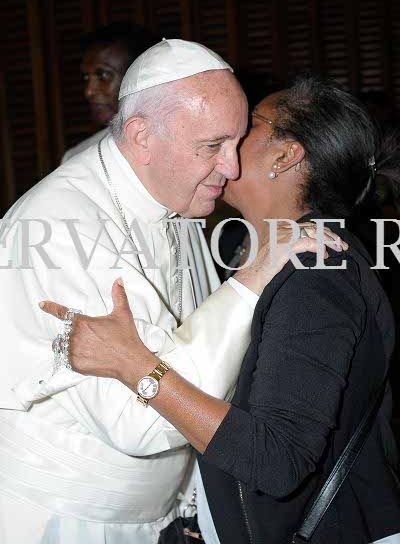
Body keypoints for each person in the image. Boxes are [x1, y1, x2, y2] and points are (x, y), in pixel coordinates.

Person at [0, 42, 339, 544]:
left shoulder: (174, 193)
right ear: (142, 137)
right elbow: (139, 420)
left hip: (162, 515)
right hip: (66, 521)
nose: (231, 168)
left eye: (238, 141)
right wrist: (255, 276)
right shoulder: (57, 224)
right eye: (212, 146)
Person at [62, 22, 158, 163]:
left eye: (103, 76)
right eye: (87, 78)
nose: (89, 91)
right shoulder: (77, 159)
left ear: (138, 76)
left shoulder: (179, 144)